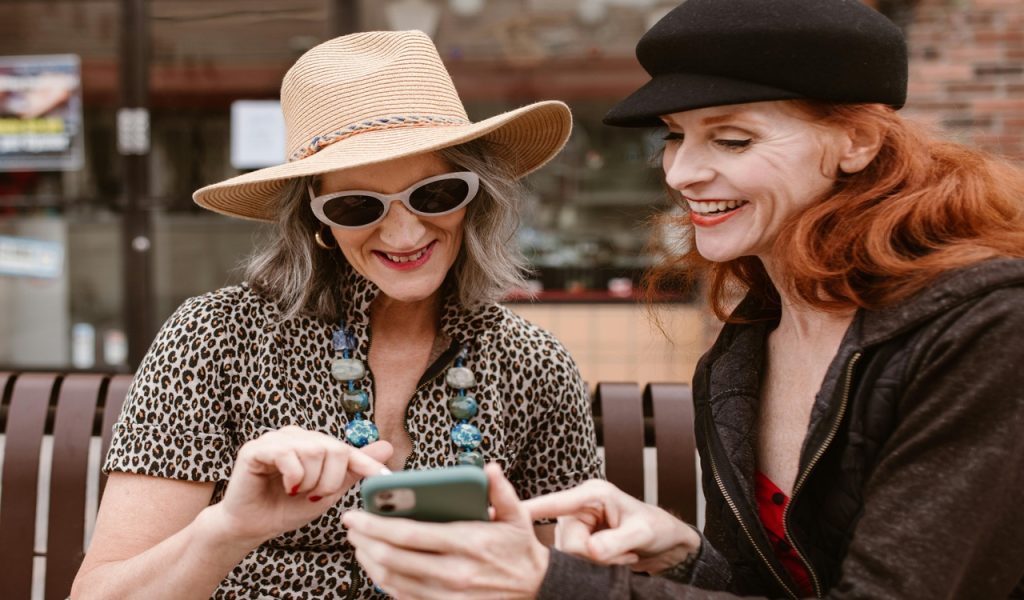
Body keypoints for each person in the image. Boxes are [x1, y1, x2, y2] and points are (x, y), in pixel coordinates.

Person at [341, 1, 1024, 598]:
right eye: (675, 134)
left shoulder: (986, 329)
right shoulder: (746, 348)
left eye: (732, 138)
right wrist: (685, 554)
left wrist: (551, 582)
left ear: (858, 141)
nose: (683, 172)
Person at [71, 30, 602, 599]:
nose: (404, 233)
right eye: (357, 206)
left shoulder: (533, 364)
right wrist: (230, 527)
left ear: (476, 198)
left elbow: (575, 578)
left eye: (435, 194)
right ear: (317, 222)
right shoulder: (214, 339)